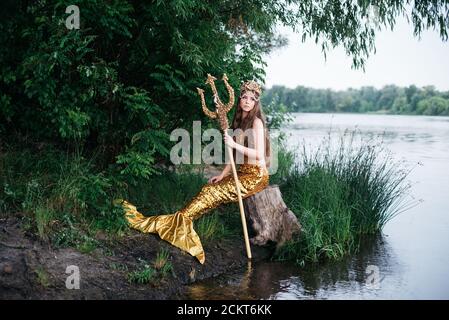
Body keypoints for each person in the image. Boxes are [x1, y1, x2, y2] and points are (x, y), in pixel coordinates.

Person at [117, 80, 271, 264]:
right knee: (209, 188)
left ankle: (182, 220)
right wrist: (223, 174)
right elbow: (235, 156)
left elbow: (259, 153)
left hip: (256, 176)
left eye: (251, 99)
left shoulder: (256, 122)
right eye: (244, 97)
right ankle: (181, 219)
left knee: (213, 193)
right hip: (243, 172)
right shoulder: (239, 121)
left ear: (256, 103)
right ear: (239, 100)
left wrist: (233, 143)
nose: (247, 101)